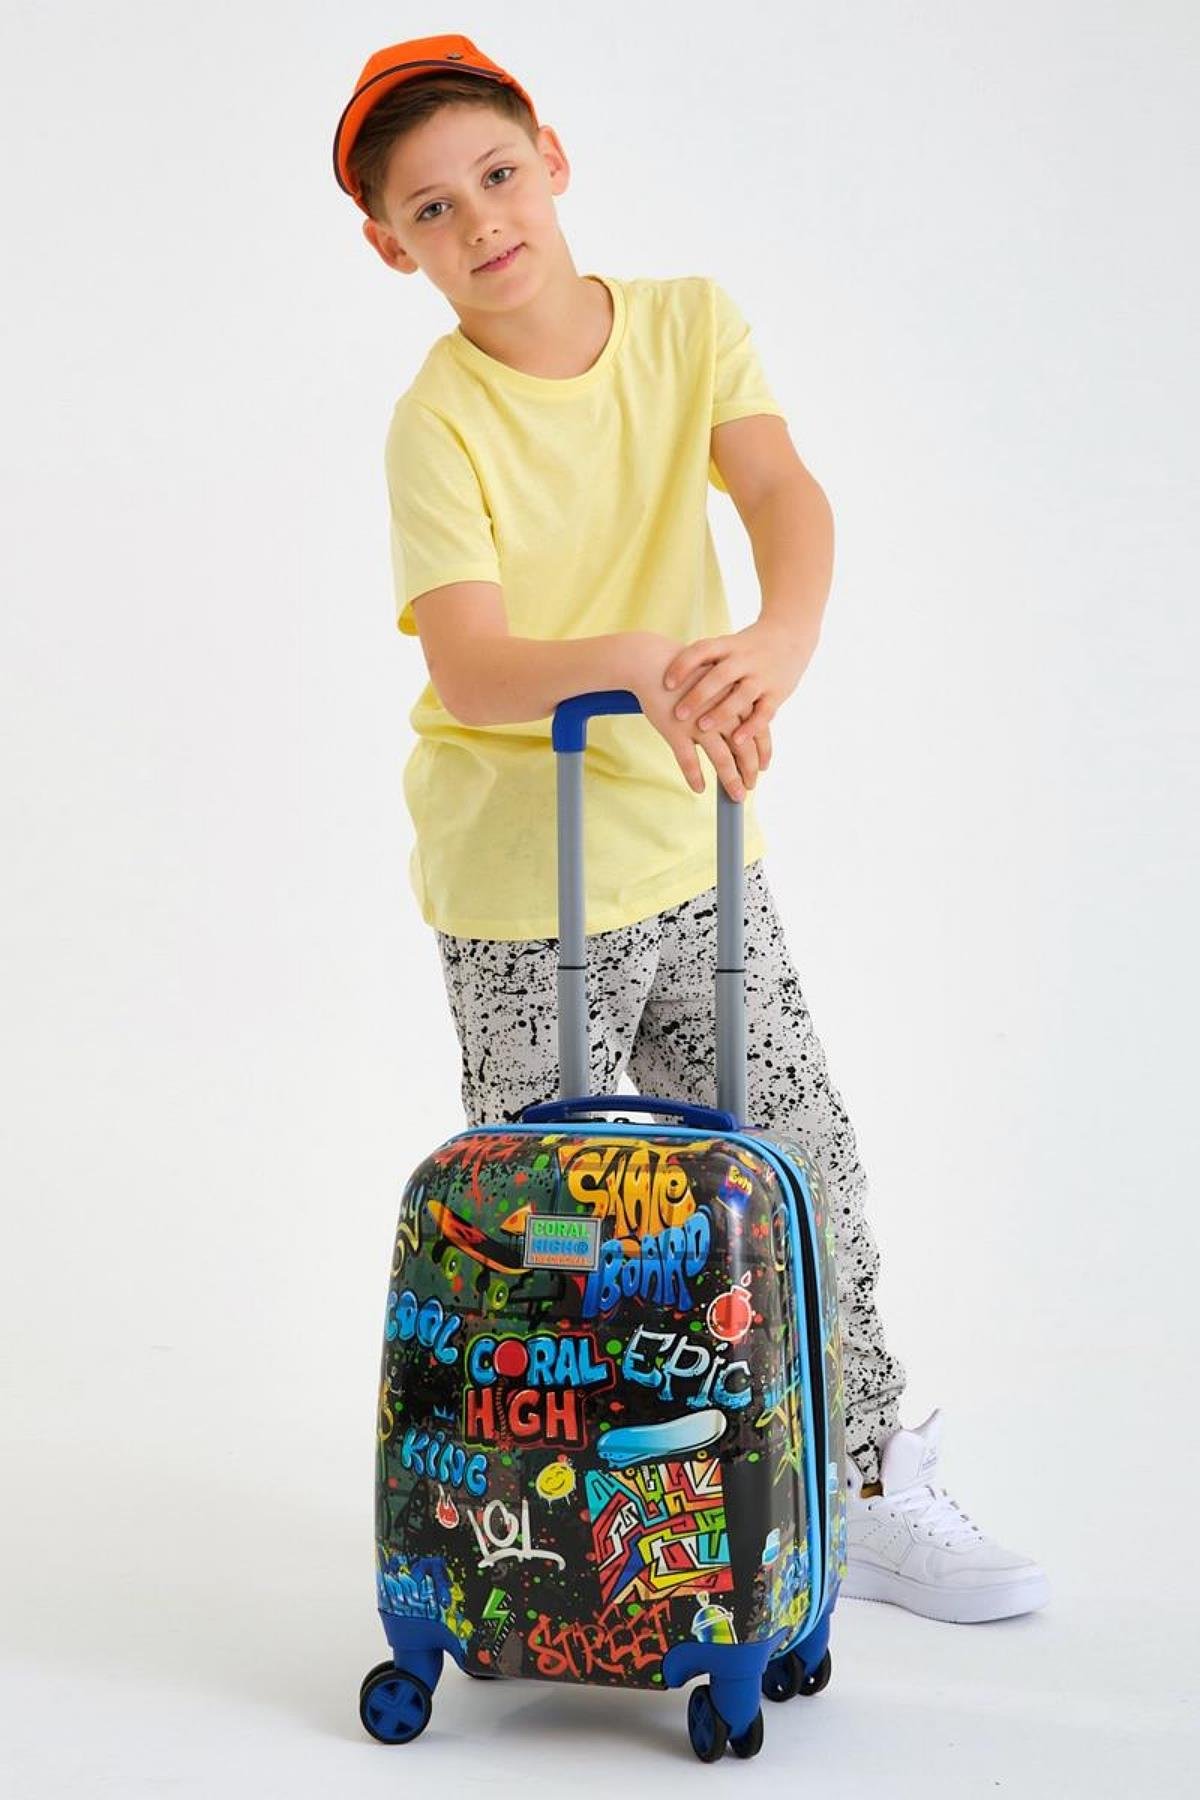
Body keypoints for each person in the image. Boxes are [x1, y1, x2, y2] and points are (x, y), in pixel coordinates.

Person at [332, 32, 1048, 1624]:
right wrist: (644, 661)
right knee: (569, 1229)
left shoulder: (685, 325)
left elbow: (782, 491)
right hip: (526, 885)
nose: (481, 221)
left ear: (553, 158)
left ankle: (856, 1477)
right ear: (392, 246)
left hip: (697, 848)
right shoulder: (438, 419)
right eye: (433, 209)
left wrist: (777, 637)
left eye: (497, 175)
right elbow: (471, 662)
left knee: (798, 1159)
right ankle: (576, 1535)